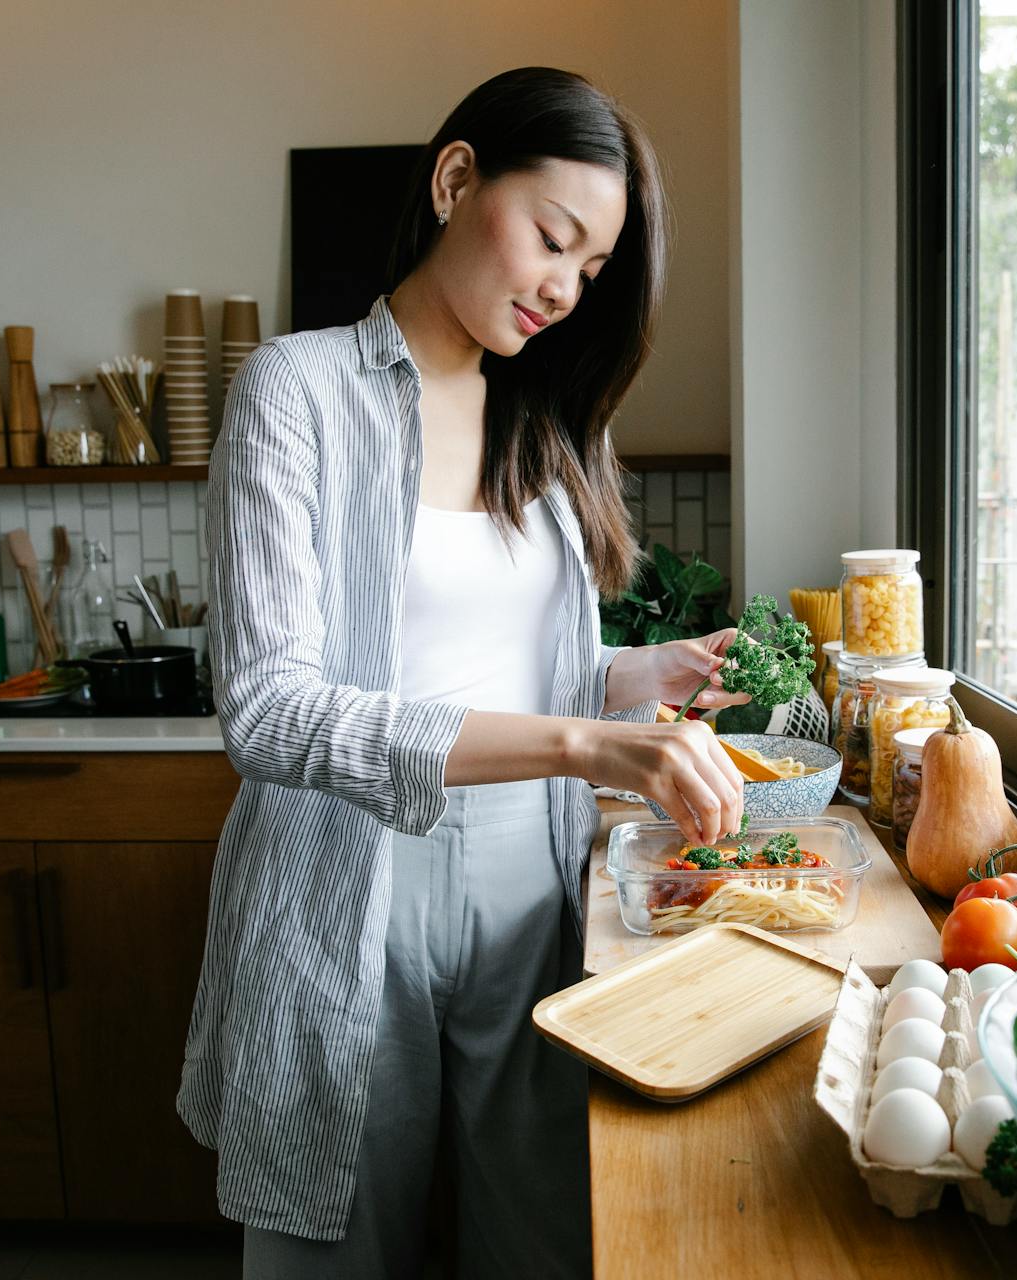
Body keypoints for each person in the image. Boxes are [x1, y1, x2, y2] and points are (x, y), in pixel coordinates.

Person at [177, 67, 749, 1279]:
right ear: (456, 180)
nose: (563, 286)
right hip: (344, 888)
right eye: (555, 238)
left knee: (537, 1236)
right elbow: (272, 711)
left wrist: (645, 679)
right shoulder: (298, 391)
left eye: (591, 272)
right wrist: (587, 744)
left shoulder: (546, 420)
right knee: (330, 1245)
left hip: (530, 895)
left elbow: (524, 666)